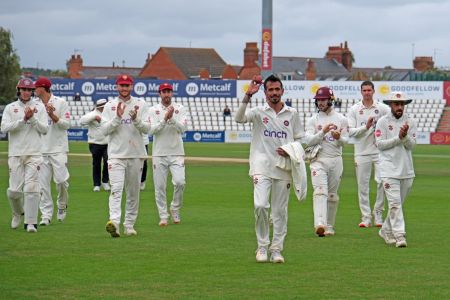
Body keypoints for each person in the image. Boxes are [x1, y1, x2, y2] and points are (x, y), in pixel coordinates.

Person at [235, 74, 304, 264]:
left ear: (282, 91)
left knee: (279, 211)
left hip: (283, 168)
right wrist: (248, 95)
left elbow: (300, 140)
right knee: (261, 206)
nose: (274, 93)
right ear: (265, 93)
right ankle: (262, 246)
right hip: (261, 166)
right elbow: (239, 118)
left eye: (277, 89)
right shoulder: (258, 112)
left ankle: (276, 249)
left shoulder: (292, 114)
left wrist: (290, 150)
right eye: (270, 90)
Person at [101, 74, 150, 237]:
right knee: (115, 189)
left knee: (133, 192)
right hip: (116, 155)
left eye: (127, 85)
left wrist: (136, 120)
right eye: (121, 85)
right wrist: (117, 118)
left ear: (132, 86)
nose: (124, 88)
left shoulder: (141, 104)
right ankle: (114, 222)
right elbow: (104, 130)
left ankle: (129, 225)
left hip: (136, 154)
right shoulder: (109, 106)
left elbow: (148, 129)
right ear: (117, 87)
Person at [1, 78, 48, 232]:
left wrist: (32, 118)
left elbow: (44, 129)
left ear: (32, 91)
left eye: (29, 90)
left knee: (32, 188)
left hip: (34, 153)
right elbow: (4, 128)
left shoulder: (39, 107)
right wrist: (23, 120)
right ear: (19, 90)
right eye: (24, 89)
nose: (26, 92)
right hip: (15, 153)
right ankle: (17, 213)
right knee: (14, 191)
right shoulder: (10, 107)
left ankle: (31, 223)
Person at [304, 87, 348, 237]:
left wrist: (338, 138)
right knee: (320, 191)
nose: (320, 102)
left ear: (330, 100)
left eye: (323, 99)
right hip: (318, 160)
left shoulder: (341, 119)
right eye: (318, 100)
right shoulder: (313, 120)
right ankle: (320, 224)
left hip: (336, 160)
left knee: (332, 195)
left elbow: (346, 141)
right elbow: (308, 140)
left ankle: (329, 226)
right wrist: (322, 132)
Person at [375, 92, 416, 248]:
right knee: (394, 204)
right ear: (390, 105)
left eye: (402, 104)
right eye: (396, 104)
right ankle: (400, 235)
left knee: (397, 204)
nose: (399, 107)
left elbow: (412, 145)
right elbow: (380, 144)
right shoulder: (383, 122)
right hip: (388, 168)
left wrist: (404, 137)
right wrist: (398, 138)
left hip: (406, 169)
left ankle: (386, 230)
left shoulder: (410, 121)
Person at [348, 81, 390, 228]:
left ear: (373, 91)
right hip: (361, 151)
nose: (367, 93)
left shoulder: (383, 108)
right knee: (363, 185)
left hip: (379, 152)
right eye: (364, 90)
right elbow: (351, 131)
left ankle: (378, 213)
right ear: (361, 92)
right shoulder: (354, 109)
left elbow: (389, 126)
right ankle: (366, 217)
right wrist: (365, 127)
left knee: (382, 182)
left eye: (369, 90)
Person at [148, 82, 188, 227]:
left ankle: (175, 208)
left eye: (168, 91)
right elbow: (151, 131)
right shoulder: (153, 110)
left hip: (177, 152)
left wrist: (172, 118)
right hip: (159, 153)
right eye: (164, 92)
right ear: (159, 94)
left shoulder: (180, 108)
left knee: (180, 182)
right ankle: (163, 216)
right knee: (160, 186)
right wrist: (164, 119)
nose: (166, 94)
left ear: (172, 93)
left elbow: (183, 129)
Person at [34, 77, 71, 226]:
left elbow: (66, 125)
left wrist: (53, 116)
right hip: (41, 150)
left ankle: (62, 206)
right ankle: (46, 215)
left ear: (43, 88)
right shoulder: (34, 105)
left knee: (62, 181)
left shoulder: (60, 103)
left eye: (36, 87)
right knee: (43, 185)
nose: (34, 90)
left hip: (58, 149)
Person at [79, 99, 110, 192]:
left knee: (108, 162)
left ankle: (105, 182)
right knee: (96, 163)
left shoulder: (108, 114)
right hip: (95, 143)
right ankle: (97, 184)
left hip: (108, 143)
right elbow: (81, 121)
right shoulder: (92, 114)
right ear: (100, 107)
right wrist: (94, 117)